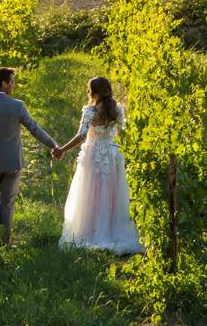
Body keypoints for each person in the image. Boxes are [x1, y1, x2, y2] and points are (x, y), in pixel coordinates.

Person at [53, 76, 144, 255]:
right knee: (112, 194)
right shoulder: (118, 110)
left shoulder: (89, 111)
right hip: (113, 153)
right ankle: (112, 230)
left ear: (93, 92)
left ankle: (92, 232)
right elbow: (121, 134)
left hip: (94, 155)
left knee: (91, 193)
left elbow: (81, 136)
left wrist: (62, 149)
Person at [0, 66, 60, 246]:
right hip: (12, 162)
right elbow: (34, 129)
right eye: (12, 81)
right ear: (4, 83)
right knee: (7, 203)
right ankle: (4, 243)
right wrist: (54, 145)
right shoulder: (17, 106)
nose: (14, 85)